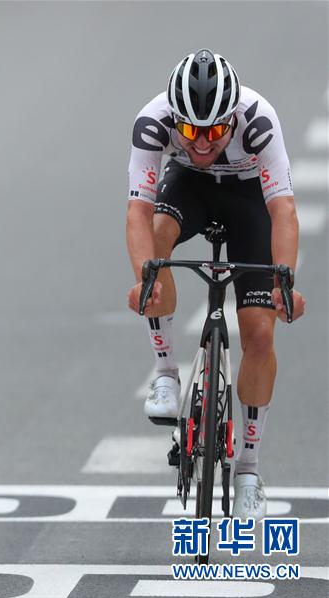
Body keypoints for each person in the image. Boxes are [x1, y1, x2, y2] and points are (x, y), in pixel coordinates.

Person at [125, 49, 305, 521]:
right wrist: (145, 275)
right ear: (174, 119)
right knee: (156, 246)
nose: (203, 142)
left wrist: (285, 281)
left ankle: (248, 470)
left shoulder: (259, 120)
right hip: (190, 187)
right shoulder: (152, 121)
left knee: (260, 334)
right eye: (190, 131)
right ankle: (166, 372)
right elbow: (138, 212)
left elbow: (283, 210)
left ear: (233, 118)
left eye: (215, 130)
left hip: (250, 198)